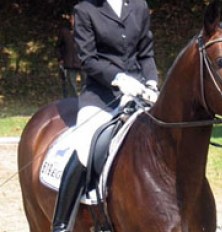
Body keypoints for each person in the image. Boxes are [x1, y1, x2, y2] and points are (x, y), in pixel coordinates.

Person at [51, 0, 159, 231]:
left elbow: (146, 54)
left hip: (139, 93)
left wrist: (151, 82)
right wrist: (119, 78)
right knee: (85, 146)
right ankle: (61, 222)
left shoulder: (139, 6)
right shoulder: (85, 10)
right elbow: (88, 59)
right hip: (100, 95)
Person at [56, 13, 85, 98]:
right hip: (69, 62)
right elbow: (58, 46)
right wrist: (60, 58)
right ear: (70, 20)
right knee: (71, 85)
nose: (74, 22)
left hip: (83, 62)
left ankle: (85, 101)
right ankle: (73, 101)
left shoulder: (85, 31)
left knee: (86, 83)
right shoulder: (64, 31)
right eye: (73, 19)